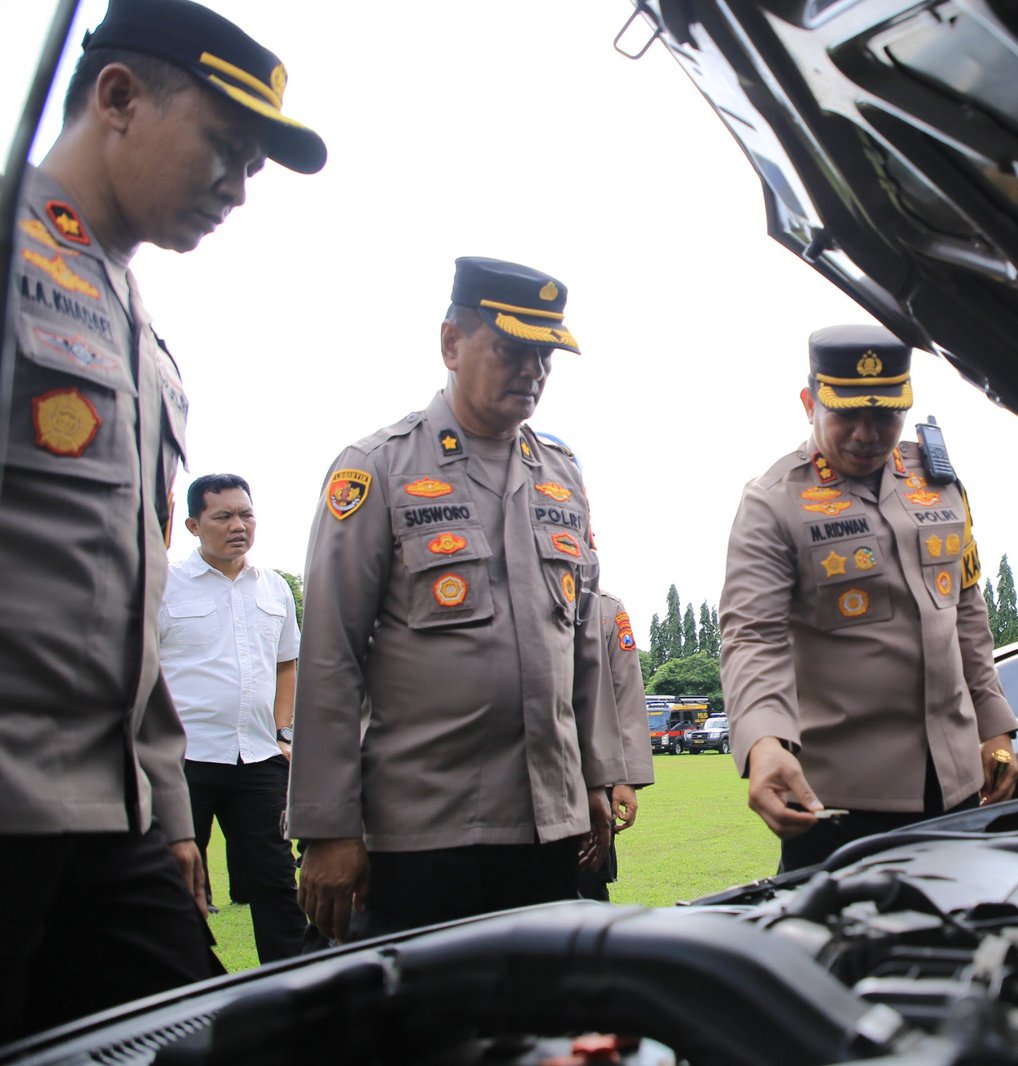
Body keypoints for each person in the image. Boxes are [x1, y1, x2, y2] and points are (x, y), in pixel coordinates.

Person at [0, 0, 324, 1037]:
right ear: (119, 97)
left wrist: (165, 810)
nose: (236, 189)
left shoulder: (144, 335)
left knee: (195, 1033)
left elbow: (118, 608)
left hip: (112, 820)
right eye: (224, 150)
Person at [288, 258, 622, 943]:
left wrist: (595, 775)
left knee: (544, 1029)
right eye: (511, 349)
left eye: (545, 355)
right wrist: (328, 828)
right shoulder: (377, 468)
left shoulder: (561, 476)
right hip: (423, 833)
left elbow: (584, 639)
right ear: (451, 344)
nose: (533, 370)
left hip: (546, 825)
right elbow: (329, 655)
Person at [719, 324, 1018, 873]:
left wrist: (995, 727)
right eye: (846, 414)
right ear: (810, 402)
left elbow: (967, 612)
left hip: (955, 788)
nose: (867, 433)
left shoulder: (940, 483)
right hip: (839, 803)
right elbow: (752, 637)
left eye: (885, 414)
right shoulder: (772, 501)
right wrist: (764, 742)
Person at [158, 474, 306, 963]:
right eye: (223, 516)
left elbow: (288, 662)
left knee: (278, 886)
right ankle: (185, 1001)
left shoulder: (275, 588)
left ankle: (293, 996)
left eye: (246, 514)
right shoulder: (163, 584)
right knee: (175, 891)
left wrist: (284, 730)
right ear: (193, 525)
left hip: (258, 758)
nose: (238, 525)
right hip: (184, 761)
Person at [577, 590, 655, 902]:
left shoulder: (605, 609)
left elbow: (627, 695)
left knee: (588, 879)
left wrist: (626, 779)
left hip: (592, 772)